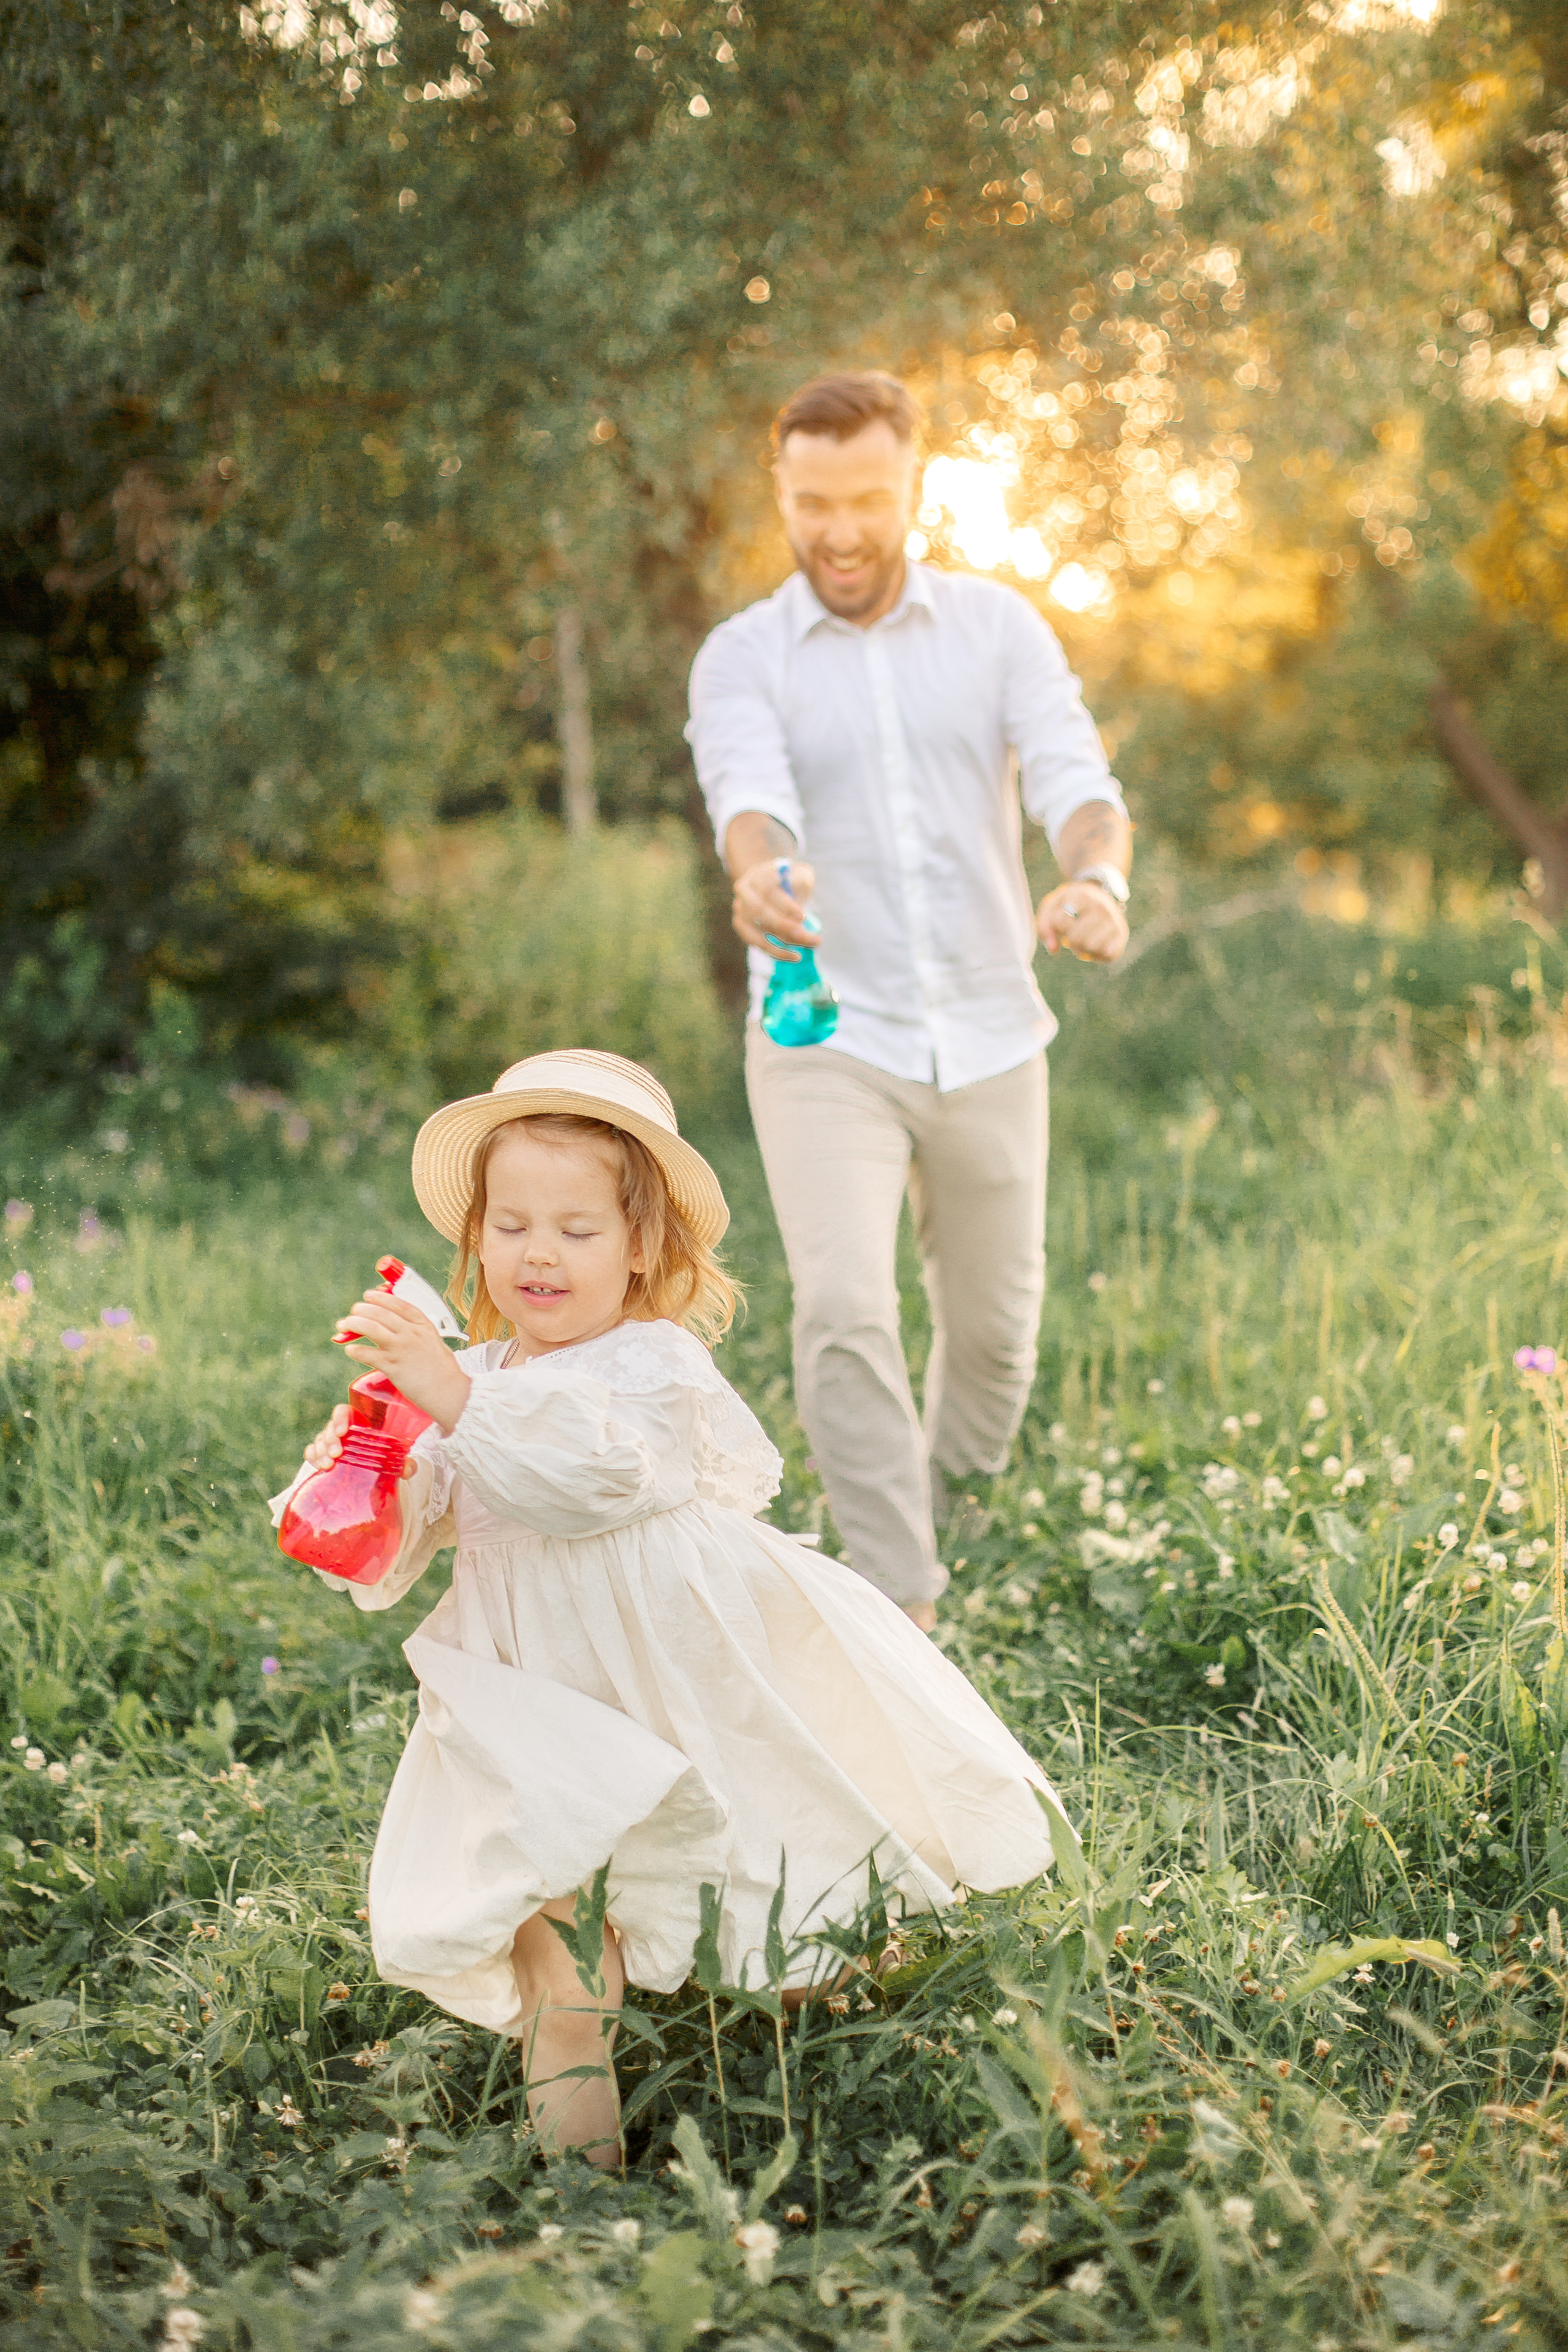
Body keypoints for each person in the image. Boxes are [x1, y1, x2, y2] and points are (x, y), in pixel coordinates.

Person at [270, 1049, 1069, 2166]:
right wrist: (366, 1470)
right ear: (477, 1241)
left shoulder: (651, 1365)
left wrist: (450, 1393)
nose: (538, 1251)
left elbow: (582, 1477)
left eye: (577, 1228)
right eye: (511, 1225)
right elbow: (420, 1521)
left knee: (772, 1871)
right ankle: (581, 2196)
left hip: (680, 1673)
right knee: (560, 1944)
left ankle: (838, 2051)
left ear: (642, 1245)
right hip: (536, 1699)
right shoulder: (476, 1372)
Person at [687, 370, 1132, 1631]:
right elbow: (746, 795)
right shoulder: (743, 656)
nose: (837, 531)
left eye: (866, 500)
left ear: (914, 487)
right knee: (840, 1307)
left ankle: (947, 1509)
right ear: (779, 491)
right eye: (811, 502)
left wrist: (1092, 878)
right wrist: (761, 876)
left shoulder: (998, 631)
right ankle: (900, 1602)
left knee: (994, 1342)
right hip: (825, 1030)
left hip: (992, 1029)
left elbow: (1073, 777)